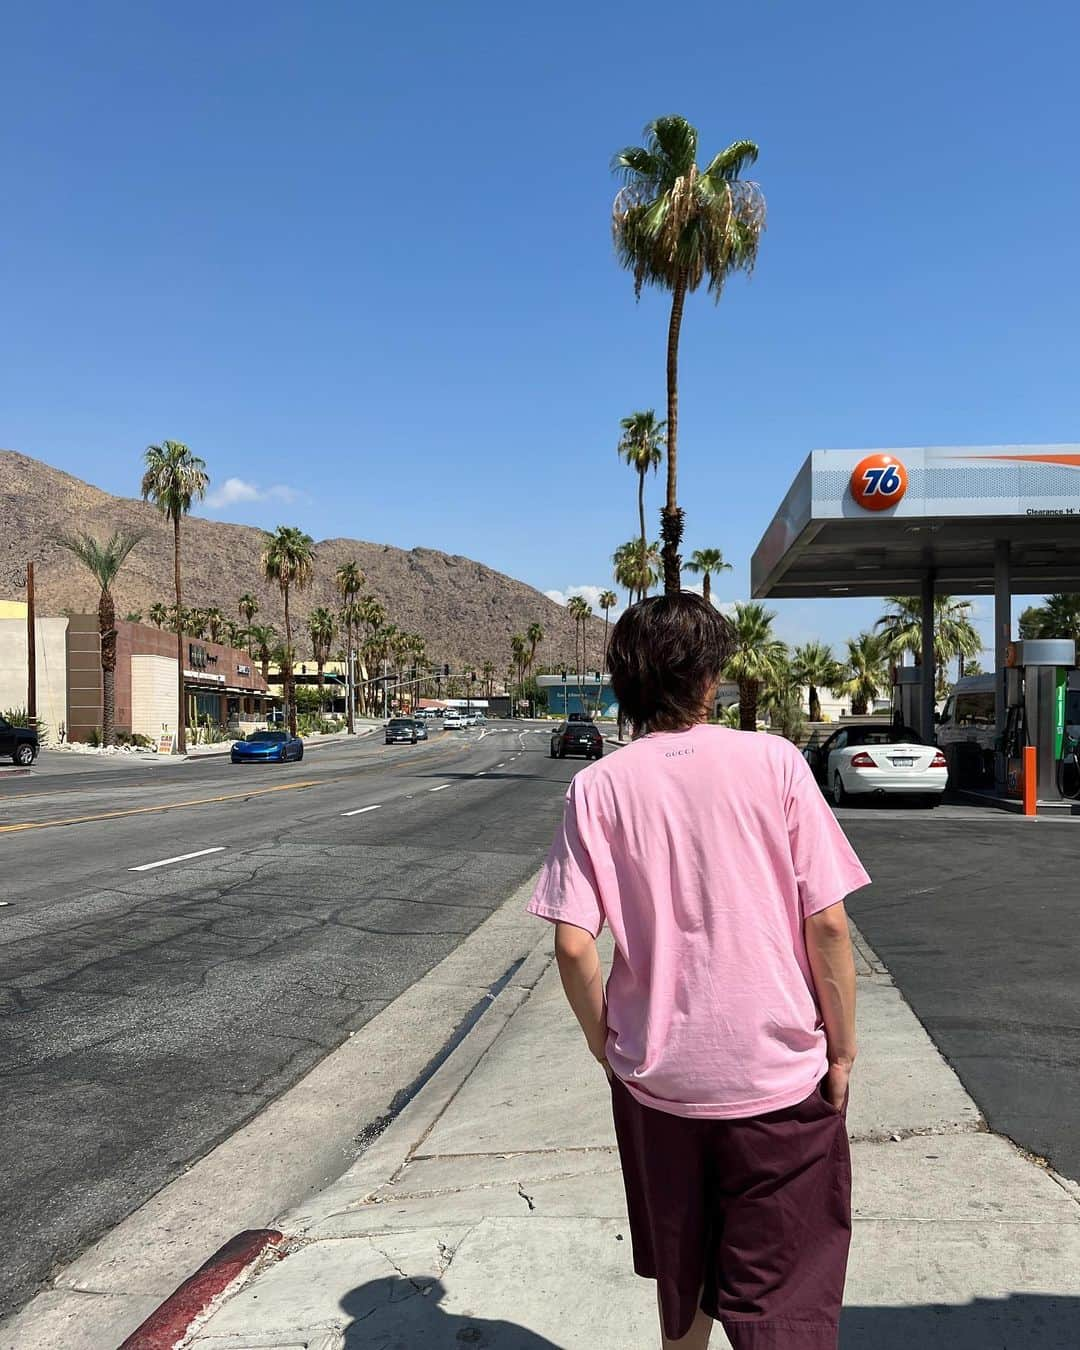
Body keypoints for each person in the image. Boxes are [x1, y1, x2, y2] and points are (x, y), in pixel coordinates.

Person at [527, 593, 869, 1350]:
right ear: (710, 678)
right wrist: (841, 1051)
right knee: (781, 1298)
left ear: (626, 682)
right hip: (775, 1082)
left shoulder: (599, 787)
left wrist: (604, 1043)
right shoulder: (774, 762)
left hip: (659, 1088)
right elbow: (829, 924)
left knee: (684, 1290)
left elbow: (574, 946)